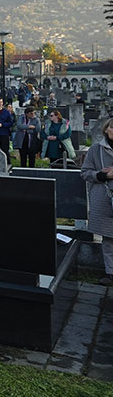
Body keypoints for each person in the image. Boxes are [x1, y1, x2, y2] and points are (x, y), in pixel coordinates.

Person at [80, 118, 113, 286]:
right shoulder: (96, 149)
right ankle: (111, 272)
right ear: (106, 129)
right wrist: (103, 175)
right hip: (104, 197)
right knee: (108, 237)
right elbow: (85, 173)